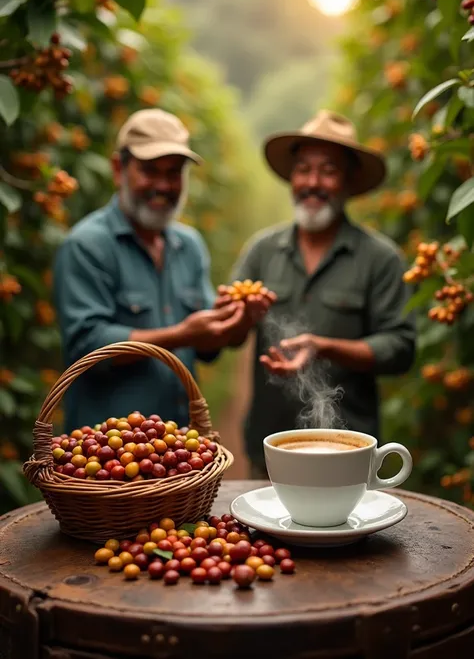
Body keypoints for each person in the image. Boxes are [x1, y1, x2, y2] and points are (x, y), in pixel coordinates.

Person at [222, 110, 416, 478]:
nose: (313, 182)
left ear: (349, 180)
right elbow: (228, 340)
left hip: (349, 453)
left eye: (328, 170)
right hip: (269, 450)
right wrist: (237, 317)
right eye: (303, 169)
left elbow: (401, 348)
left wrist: (324, 347)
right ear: (291, 176)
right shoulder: (262, 251)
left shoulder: (380, 259)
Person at [53, 108, 272, 430]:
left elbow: (206, 348)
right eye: (150, 171)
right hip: (105, 454)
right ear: (118, 169)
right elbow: (88, 346)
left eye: (174, 173)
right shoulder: (87, 246)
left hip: (176, 445)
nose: (163, 185)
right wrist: (181, 334)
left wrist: (236, 323)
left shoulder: (189, 245)